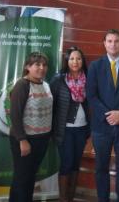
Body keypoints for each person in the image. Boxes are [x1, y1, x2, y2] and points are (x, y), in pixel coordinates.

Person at [86, 29, 119, 202]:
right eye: (109, 41)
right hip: (101, 127)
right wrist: (108, 115)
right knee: (101, 167)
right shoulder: (95, 66)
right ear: (104, 43)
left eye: (116, 41)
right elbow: (91, 95)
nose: (113, 44)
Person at [9, 52, 53, 202]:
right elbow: (15, 115)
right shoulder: (22, 85)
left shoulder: (45, 85)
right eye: (37, 65)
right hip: (25, 140)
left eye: (44, 65)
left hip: (42, 139)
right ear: (28, 66)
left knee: (30, 177)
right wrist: (22, 140)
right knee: (22, 179)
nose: (41, 68)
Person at [50, 47, 90, 202]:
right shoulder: (58, 79)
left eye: (78, 58)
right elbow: (51, 105)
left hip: (82, 128)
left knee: (75, 165)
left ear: (82, 61)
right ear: (66, 61)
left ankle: (71, 197)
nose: (75, 62)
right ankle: (63, 199)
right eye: (72, 58)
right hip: (64, 130)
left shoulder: (88, 78)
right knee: (66, 164)